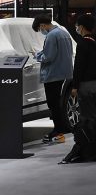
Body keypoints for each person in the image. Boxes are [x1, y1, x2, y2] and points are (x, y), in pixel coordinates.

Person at [32, 14, 74, 143]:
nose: (41, 31)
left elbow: (48, 56)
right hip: (63, 73)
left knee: (53, 104)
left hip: (53, 74)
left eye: (39, 29)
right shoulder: (63, 33)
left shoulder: (51, 35)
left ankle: (58, 131)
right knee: (58, 103)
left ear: (43, 25)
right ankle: (62, 128)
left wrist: (37, 56)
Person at [71, 14, 96, 125]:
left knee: (86, 115)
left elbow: (79, 66)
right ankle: (95, 138)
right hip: (95, 83)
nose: (77, 28)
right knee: (93, 112)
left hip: (85, 84)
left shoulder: (83, 43)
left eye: (77, 25)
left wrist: (75, 86)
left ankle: (88, 139)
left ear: (82, 27)